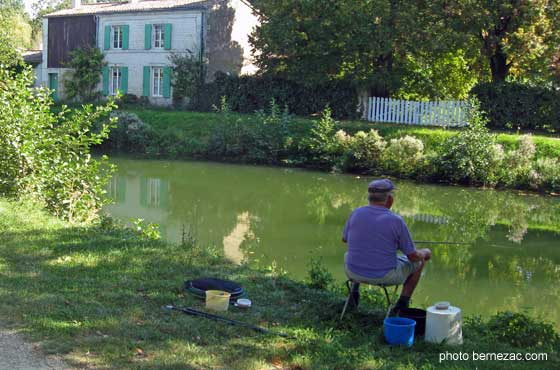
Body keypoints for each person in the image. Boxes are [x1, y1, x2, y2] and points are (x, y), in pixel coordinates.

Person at [342, 179, 431, 314]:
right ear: (390, 199)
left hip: (352, 272)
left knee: (352, 254)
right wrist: (425, 252)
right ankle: (402, 305)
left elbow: (345, 239)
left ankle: (354, 294)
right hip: (384, 276)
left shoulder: (356, 213)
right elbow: (412, 257)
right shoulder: (396, 221)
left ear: (369, 197)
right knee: (419, 262)